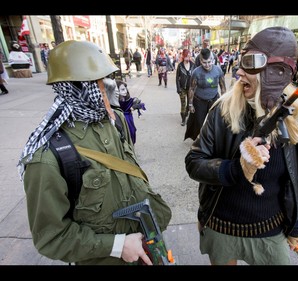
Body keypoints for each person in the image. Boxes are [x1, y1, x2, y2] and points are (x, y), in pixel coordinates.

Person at [17, 40, 171, 265]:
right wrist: (117, 246)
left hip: (146, 245)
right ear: (79, 88)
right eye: (101, 81)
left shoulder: (115, 121)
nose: (111, 86)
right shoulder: (48, 157)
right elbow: (51, 238)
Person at [185, 26, 298, 265]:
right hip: (221, 225)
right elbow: (194, 163)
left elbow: (295, 181)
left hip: (270, 230)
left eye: (249, 64)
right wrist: (236, 169)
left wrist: (295, 226)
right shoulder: (222, 110)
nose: (239, 72)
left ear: (276, 71)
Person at [184, 48, 226, 141]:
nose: (207, 65)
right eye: (204, 62)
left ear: (212, 59)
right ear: (200, 60)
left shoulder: (218, 70)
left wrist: (223, 102)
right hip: (199, 102)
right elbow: (191, 88)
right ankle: (200, 142)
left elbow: (223, 87)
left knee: (214, 123)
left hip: (214, 101)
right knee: (199, 124)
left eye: (209, 62)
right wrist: (190, 104)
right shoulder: (196, 72)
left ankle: (212, 142)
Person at [117, 79, 145, 145]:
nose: (125, 91)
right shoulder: (115, 102)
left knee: (132, 132)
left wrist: (135, 106)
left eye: (125, 89)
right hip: (120, 119)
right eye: (122, 89)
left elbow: (137, 102)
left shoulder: (128, 99)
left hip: (129, 119)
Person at [176, 48, 195, 126]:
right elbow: (177, 78)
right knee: (183, 104)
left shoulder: (193, 65)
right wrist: (178, 88)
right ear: (183, 56)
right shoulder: (180, 66)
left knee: (189, 104)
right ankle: (183, 119)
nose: (188, 58)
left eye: (189, 56)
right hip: (182, 88)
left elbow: (195, 76)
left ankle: (186, 114)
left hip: (190, 88)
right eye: (186, 56)